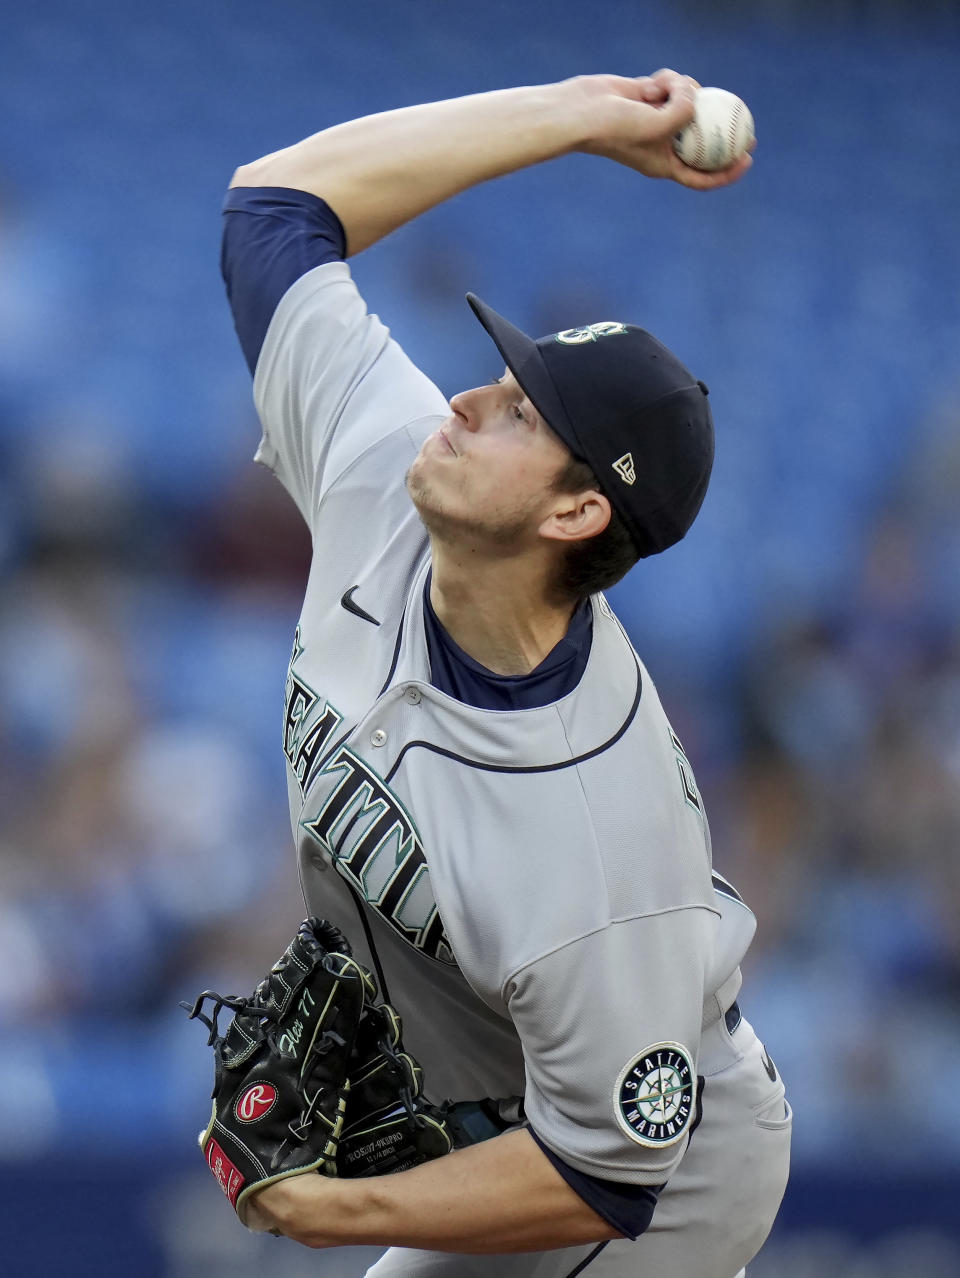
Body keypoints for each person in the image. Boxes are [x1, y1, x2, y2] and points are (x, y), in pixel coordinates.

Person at [218, 69, 791, 1276]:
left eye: (522, 415)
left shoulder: (596, 833)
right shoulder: (390, 470)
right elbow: (277, 206)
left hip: (655, 1177)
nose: (468, 401)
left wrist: (332, 1212)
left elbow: (604, 1174)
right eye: (499, 379)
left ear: (581, 510)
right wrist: (581, 117)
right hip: (509, 1109)